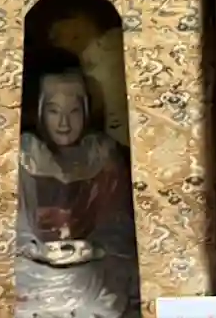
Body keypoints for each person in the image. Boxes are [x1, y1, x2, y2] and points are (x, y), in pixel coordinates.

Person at [15, 68, 139, 318]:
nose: (64, 123)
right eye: (54, 111)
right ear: (39, 112)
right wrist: (35, 249)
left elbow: (118, 225)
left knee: (110, 283)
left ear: (86, 111)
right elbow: (13, 225)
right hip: (36, 264)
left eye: (73, 111)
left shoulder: (102, 154)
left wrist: (96, 248)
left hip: (92, 264)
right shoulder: (25, 154)